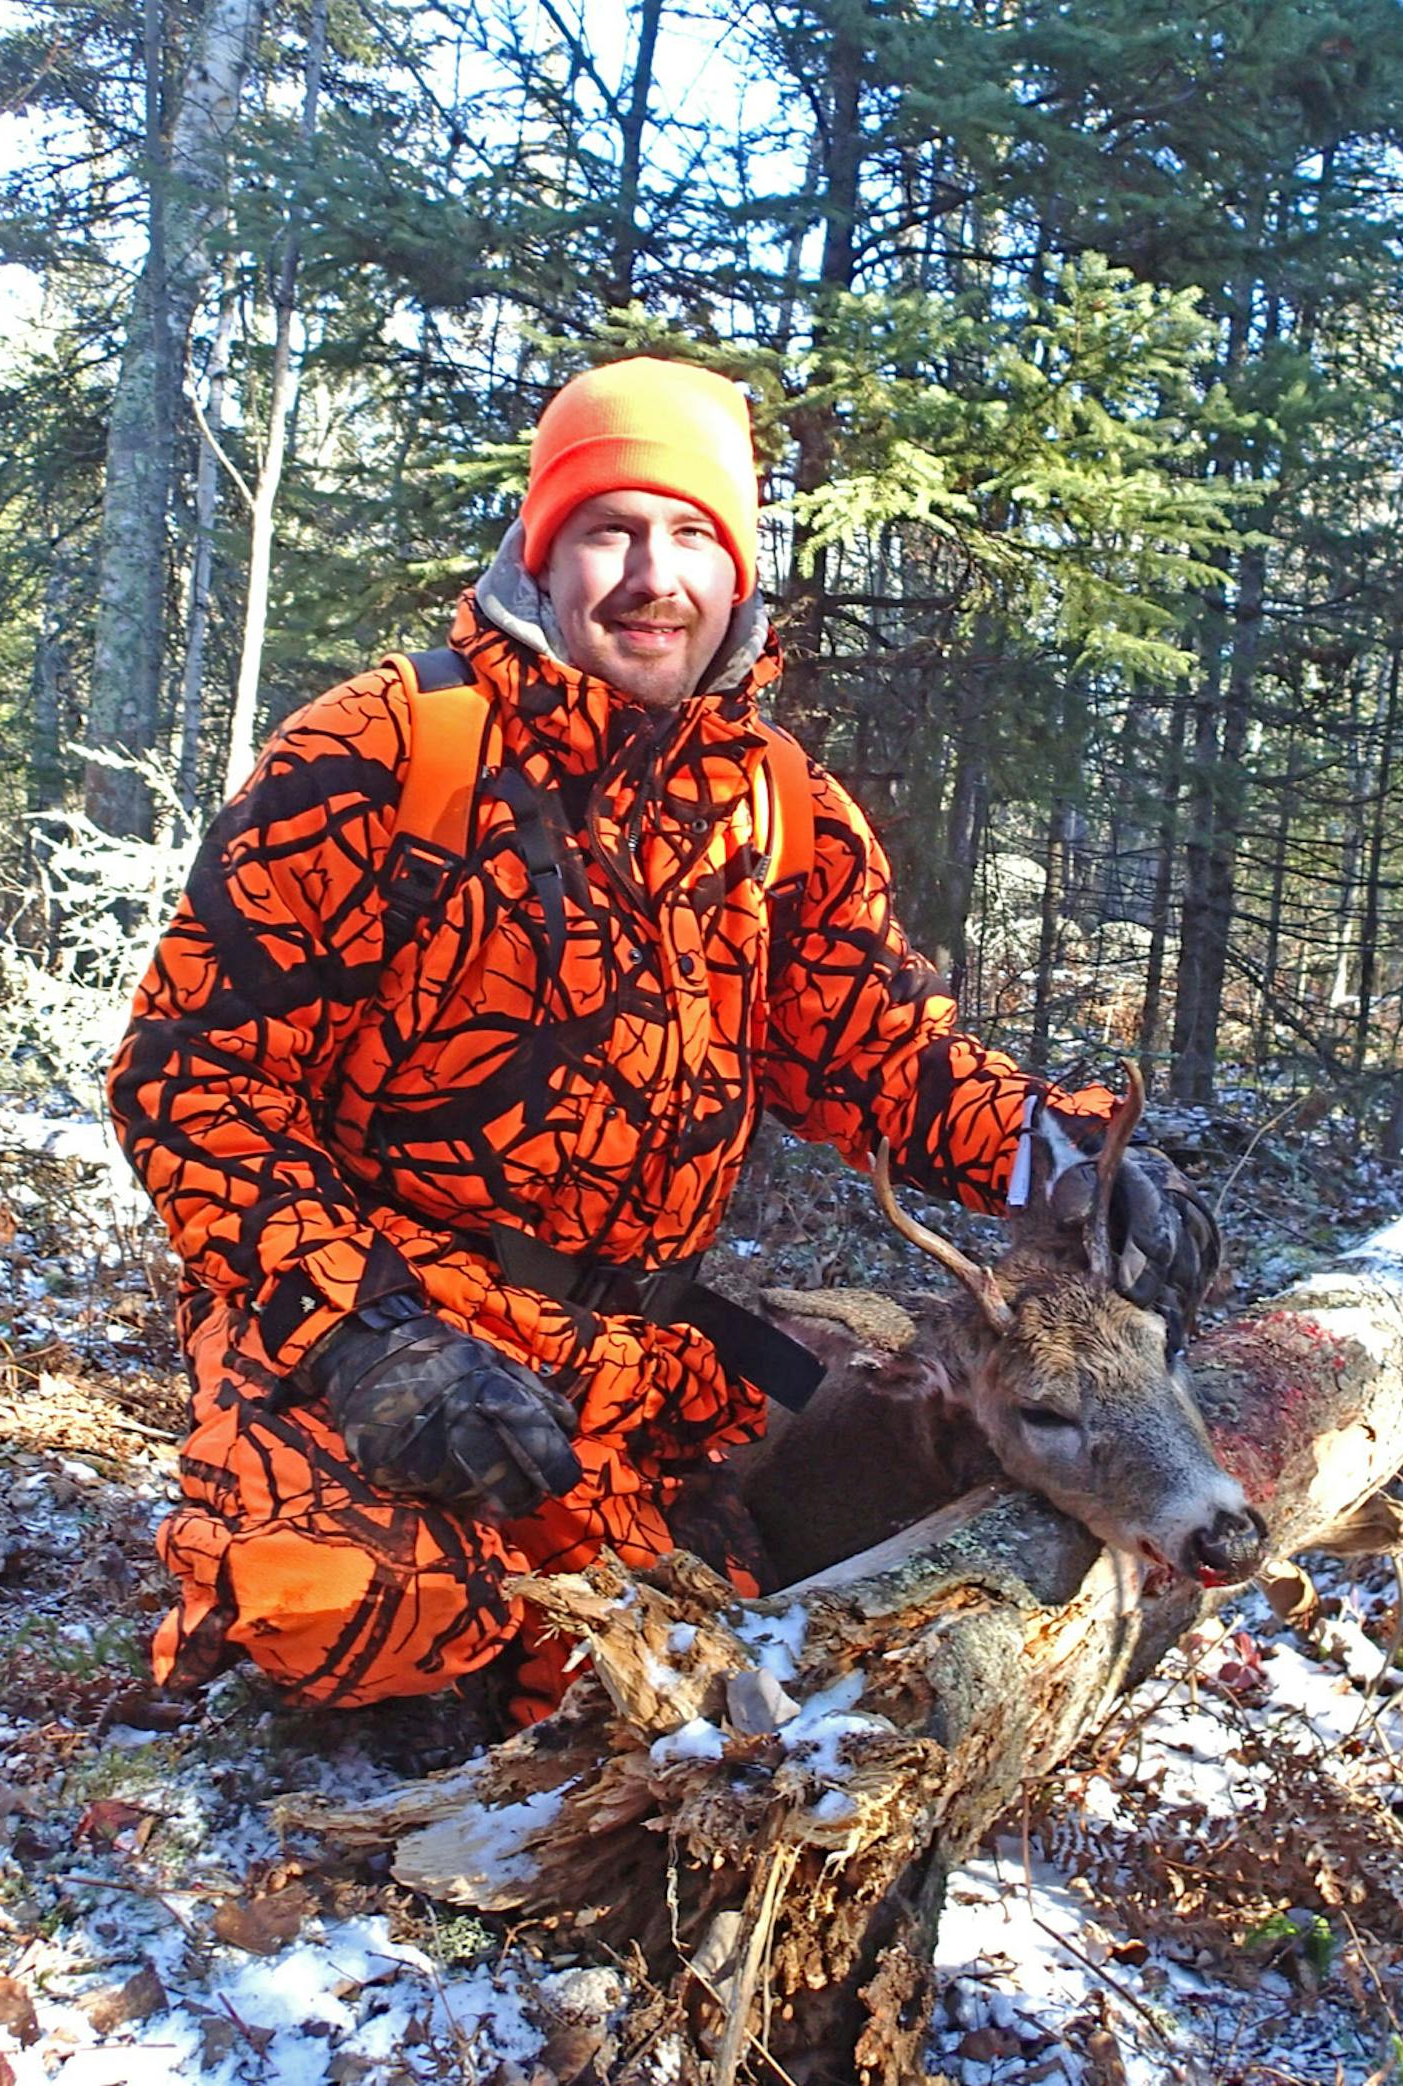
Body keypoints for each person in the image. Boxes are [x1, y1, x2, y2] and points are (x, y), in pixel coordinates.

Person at [109, 356, 1214, 1724]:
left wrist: (1066, 1153)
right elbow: (191, 1084)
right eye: (608, 529)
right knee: (357, 1610)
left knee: (696, 1647)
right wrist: (367, 1338)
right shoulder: (388, 751)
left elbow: (872, 1048)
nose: (652, 574)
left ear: (739, 573)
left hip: (636, 1359)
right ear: (544, 548)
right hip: (397, 1316)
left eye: (693, 532)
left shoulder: (775, 805)